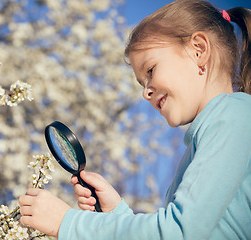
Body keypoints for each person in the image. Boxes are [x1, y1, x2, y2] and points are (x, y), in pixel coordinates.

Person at [19, 0, 251, 239]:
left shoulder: (232, 116)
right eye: (142, 83)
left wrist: (68, 223)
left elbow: (178, 232)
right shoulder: (217, 130)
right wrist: (118, 215)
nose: (145, 92)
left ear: (198, 50)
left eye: (150, 71)